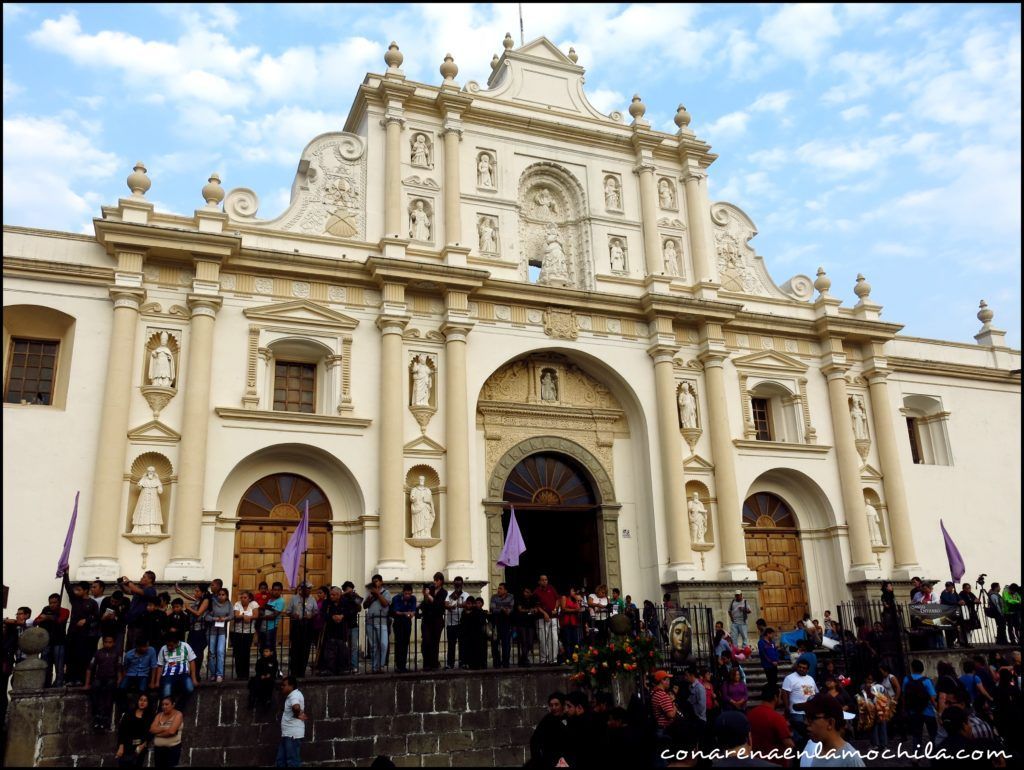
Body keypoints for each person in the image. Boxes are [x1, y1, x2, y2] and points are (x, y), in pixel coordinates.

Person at [802, 694, 864, 767]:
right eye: (805, 717)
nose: (805, 722)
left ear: (830, 723)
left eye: (811, 718)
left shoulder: (850, 760)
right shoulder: (818, 749)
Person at [63, 577, 100, 686]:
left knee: (82, 657)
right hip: (72, 633)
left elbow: (96, 617)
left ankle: (80, 679)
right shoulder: (75, 600)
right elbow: (68, 587)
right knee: (70, 656)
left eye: (79, 590)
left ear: (85, 590)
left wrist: (86, 620)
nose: (76, 591)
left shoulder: (92, 603)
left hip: (84, 635)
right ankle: (69, 679)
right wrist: (66, 573)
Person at [747, 686, 794, 767]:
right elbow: (789, 744)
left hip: (755, 761)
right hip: (775, 762)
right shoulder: (777, 718)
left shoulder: (750, 714)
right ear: (775, 697)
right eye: (780, 696)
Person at [86, 635, 121, 731]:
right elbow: (90, 668)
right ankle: (97, 716)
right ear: (103, 642)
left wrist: (119, 680)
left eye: (110, 642)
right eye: (106, 642)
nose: (108, 644)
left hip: (111, 678)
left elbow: (119, 668)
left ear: (113, 643)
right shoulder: (98, 653)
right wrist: (87, 683)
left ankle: (106, 719)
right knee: (95, 688)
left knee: (109, 694)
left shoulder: (116, 654)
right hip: (99, 678)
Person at [902, 658, 938, 753]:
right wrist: (938, 710)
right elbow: (932, 697)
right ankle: (934, 753)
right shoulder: (927, 681)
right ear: (922, 669)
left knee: (916, 735)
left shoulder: (906, 679)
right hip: (928, 712)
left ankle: (916, 756)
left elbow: (904, 695)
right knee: (933, 734)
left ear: (912, 668)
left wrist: (905, 709)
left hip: (914, 712)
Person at [153, 636, 198, 710]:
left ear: (177, 643)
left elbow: (192, 661)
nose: (169, 647)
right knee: (166, 693)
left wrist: (194, 679)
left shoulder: (185, 646)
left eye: (171, 645)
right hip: (168, 675)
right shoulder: (163, 649)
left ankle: (177, 708)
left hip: (183, 674)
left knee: (190, 688)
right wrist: (157, 682)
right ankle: (162, 712)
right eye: (168, 645)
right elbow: (160, 665)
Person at [35, 593, 70, 687]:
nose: (52, 605)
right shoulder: (46, 610)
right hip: (47, 642)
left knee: (59, 667)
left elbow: (61, 620)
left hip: (59, 642)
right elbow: (36, 621)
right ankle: (46, 685)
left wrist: (47, 618)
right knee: (46, 666)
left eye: (55, 602)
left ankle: (58, 686)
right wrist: (45, 618)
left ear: (59, 602)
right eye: (51, 603)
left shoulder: (64, 610)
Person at [782, 658, 818, 746]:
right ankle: (799, 751)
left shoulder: (810, 679)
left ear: (807, 669)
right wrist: (787, 708)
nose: (801, 669)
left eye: (804, 668)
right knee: (798, 735)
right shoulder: (790, 678)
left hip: (810, 711)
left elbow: (816, 692)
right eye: (800, 667)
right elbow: (785, 694)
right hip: (796, 711)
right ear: (797, 667)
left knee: (811, 733)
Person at [529, 692, 568, 767]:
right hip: (549, 760)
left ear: (562, 705)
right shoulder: (547, 719)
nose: (553, 708)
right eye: (551, 705)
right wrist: (538, 759)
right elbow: (534, 740)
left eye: (556, 705)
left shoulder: (568, 718)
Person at [288, 583, 318, 677]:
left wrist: (311, 615)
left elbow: (316, 611)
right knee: (295, 649)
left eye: (310, 589)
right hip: (297, 625)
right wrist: (293, 615)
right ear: (301, 589)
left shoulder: (312, 599)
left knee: (305, 649)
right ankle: (294, 671)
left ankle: (302, 671)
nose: (308, 591)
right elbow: (288, 611)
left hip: (307, 625)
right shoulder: (294, 598)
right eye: (307, 589)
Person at [363, 574, 392, 673]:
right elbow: (364, 606)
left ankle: (381, 665)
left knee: (383, 644)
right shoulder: (370, 593)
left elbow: (385, 604)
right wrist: (371, 597)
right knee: (374, 646)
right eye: (374, 581)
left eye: (377, 581)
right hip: (370, 621)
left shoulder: (386, 592)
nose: (375, 583)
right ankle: (375, 668)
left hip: (382, 621)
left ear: (381, 582)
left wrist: (378, 594)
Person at [115, 691, 151, 767]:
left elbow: (149, 733)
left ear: (148, 703)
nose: (142, 702)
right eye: (141, 700)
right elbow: (121, 731)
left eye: (145, 700)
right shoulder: (129, 714)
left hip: (139, 748)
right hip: (126, 746)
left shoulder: (150, 717)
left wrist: (143, 745)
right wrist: (121, 747)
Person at [277, 675, 307, 768]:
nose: (282, 687)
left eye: (284, 685)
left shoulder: (294, 695)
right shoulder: (293, 695)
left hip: (292, 735)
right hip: (287, 734)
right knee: (281, 760)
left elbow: (296, 706)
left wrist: (297, 713)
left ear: (291, 686)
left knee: (292, 761)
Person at [420, 573, 447, 671]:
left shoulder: (444, 592)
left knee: (435, 642)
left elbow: (438, 604)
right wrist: (425, 595)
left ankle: (434, 663)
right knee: (426, 641)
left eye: (437, 580)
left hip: (437, 620)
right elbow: (426, 603)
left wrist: (429, 596)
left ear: (441, 581)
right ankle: (426, 663)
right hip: (427, 620)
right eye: (434, 579)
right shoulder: (430, 590)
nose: (435, 582)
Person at [230, 590, 259, 680]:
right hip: (237, 632)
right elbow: (236, 615)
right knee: (238, 653)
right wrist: (244, 616)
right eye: (241, 597)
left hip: (248, 632)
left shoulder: (254, 604)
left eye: (245, 597)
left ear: (249, 598)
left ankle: (245, 675)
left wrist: (243, 616)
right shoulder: (237, 604)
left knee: (246, 653)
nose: (242, 599)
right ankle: (239, 675)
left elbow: (256, 615)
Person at [119, 637, 157, 704]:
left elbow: (154, 666)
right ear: (138, 647)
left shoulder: (151, 650)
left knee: (142, 690)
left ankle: (138, 707)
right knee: (121, 688)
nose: (147, 648)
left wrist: (152, 682)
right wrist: (123, 678)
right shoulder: (129, 655)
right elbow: (125, 667)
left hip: (144, 675)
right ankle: (124, 708)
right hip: (130, 674)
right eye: (145, 646)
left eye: (147, 645)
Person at [320, 586, 348, 675]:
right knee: (330, 651)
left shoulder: (345, 602)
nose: (331, 596)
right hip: (330, 630)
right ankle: (330, 669)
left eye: (333, 595)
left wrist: (342, 616)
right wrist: (332, 617)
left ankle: (342, 669)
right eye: (330, 594)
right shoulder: (326, 603)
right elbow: (323, 614)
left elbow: (351, 611)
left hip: (341, 631)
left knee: (342, 651)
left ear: (339, 595)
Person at [205, 587, 232, 682]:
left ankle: (219, 674)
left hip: (222, 632)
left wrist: (225, 619)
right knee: (212, 652)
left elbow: (231, 615)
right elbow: (206, 616)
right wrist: (215, 619)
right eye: (219, 594)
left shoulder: (228, 604)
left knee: (220, 652)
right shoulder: (212, 603)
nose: (221, 596)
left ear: (226, 596)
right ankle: (213, 673)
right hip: (212, 631)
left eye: (223, 594)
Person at [149, 696, 184, 768]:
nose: (164, 706)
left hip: (172, 750)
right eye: (162, 704)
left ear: (173, 704)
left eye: (167, 704)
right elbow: (152, 729)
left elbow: (171, 732)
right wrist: (165, 728)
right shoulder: (159, 715)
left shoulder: (178, 714)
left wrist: (157, 733)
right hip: (158, 750)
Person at [390, 584, 416, 673]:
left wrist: (412, 613)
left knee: (405, 644)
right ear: (403, 592)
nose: (408, 596)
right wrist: (405, 613)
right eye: (406, 594)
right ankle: (398, 665)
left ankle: (403, 665)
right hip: (398, 623)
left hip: (407, 622)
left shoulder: (413, 598)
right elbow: (396, 611)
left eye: (409, 594)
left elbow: (413, 610)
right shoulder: (396, 598)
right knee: (399, 644)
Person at [444, 576, 469, 670]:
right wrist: (454, 601)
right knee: (451, 645)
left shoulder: (465, 594)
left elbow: (467, 604)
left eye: (459, 584)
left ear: (462, 585)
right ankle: (450, 663)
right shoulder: (449, 594)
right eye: (456, 584)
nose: (458, 586)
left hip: (462, 623)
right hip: (451, 624)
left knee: (462, 644)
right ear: (454, 584)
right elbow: (446, 604)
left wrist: (456, 604)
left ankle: (462, 662)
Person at [534, 575, 560, 665]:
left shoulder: (551, 588)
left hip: (553, 617)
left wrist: (555, 609)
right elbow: (536, 605)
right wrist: (544, 613)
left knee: (554, 639)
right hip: (542, 619)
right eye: (542, 580)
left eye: (546, 580)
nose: (544, 581)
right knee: (543, 639)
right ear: (539, 582)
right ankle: (543, 660)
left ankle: (553, 660)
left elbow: (557, 599)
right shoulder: (536, 592)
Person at [489, 582, 514, 669]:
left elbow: (510, 611)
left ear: (505, 590)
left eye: (500, 588)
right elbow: (492, 608)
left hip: (506, 623)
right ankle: (496, 663)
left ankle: (505, 663)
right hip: (496, 623)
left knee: (506, 644)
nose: (498, 590)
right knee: (495, 644)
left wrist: (499, 608)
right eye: (498, 588)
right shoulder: (494, 597)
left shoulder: (511, 597)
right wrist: (503, 608)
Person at [339, 581, 363, 672]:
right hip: (344, 625)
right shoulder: (342, 597)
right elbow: (337, 598)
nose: (350, 590)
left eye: (351, 588)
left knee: (353, 647)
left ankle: (354, 666)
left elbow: (360, 608)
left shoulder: (354, 597)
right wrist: (345, 593)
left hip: (353, 625)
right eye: (348, 588)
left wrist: (356, 596)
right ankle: (345, 665)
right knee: (344, 646)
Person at [248, 645, 278, 710]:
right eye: (264, 651)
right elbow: (257, 669)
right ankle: (253, 700)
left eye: (267, 651)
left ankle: (267, 701)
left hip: (270, 678)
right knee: (254, 682)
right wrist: (261, 675)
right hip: (260, 677)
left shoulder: (274, 661)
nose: (265, 653)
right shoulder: (260, 660)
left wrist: (269, 675)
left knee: (269, 683)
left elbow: (274, 670)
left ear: (271, 652)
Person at [515, 586, 539, 666]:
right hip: (522, 622)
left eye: (527, 592)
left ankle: (523, 658)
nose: (525, 593)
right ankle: (525, 660)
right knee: (524, 641)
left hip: (531, 623)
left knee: (530, 642)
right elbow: (520, 609)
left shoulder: (533, 600)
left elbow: (536, 608)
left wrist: (534, 610)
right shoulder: (520, 599)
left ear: (531, 593)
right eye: (525, 591)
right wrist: (529, 610)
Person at [261, 582, 285, 653]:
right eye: (275, 590)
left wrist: (262, 616)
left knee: (270, 648)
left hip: (271, 628)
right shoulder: (270, 600)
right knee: (263, 647)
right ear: (272, 590)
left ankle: (272, 663)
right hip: (264, 627)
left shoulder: (281, 601)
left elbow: (274, 615)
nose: (276, 592)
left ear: (281, 591)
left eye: (278, 590)